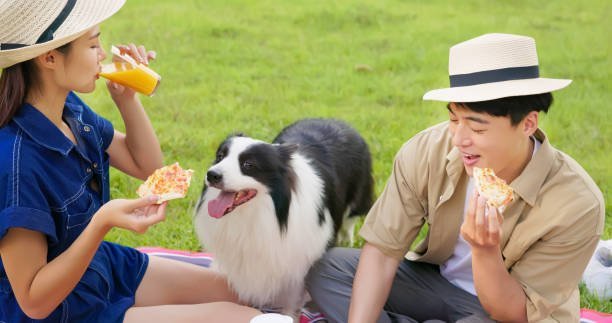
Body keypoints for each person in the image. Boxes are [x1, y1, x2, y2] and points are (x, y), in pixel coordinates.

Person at [306, 33, 605, 322]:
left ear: (528, 124)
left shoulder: (576, 204)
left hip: (506, 312)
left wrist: (485, 251)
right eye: (453, 119)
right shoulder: (426, 151)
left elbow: (518, 313)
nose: (459, 139)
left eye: (477, 128)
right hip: (435, 288)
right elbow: (383, 252)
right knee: (328, 269)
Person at [0, 1, 263, 322]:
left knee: (243, 293)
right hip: (64, 312)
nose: (102, 55)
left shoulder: (71, 112)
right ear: (49, 57)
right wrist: (102, 222)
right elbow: (33, 302)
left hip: (99, 270)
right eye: (93, 44)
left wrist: (127, 99)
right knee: (242, 317)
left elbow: (147, 166)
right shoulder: (16, 164)